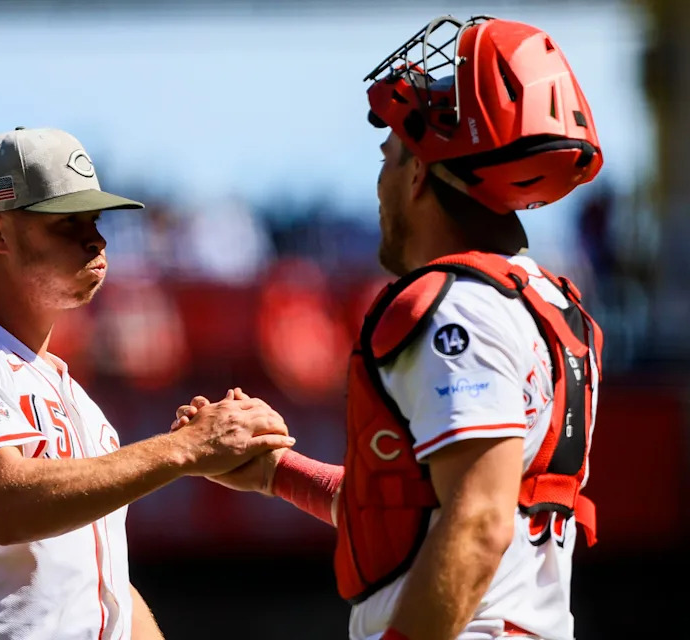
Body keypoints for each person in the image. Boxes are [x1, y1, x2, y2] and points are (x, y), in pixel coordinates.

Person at [173, 16, 604, 640]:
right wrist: (275, 472)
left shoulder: (450, 306)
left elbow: (479, 523)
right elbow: (422, 509)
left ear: (420, 173)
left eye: (388, 156)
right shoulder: (541, 303)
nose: (378, 184)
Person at [0, 126, 295, 640]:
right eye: (66, 223)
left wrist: (187, 453)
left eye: (94, 220)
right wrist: (184, 449)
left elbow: (103, 588)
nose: (95, 239)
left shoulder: (80, 402)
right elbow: (6, 505)